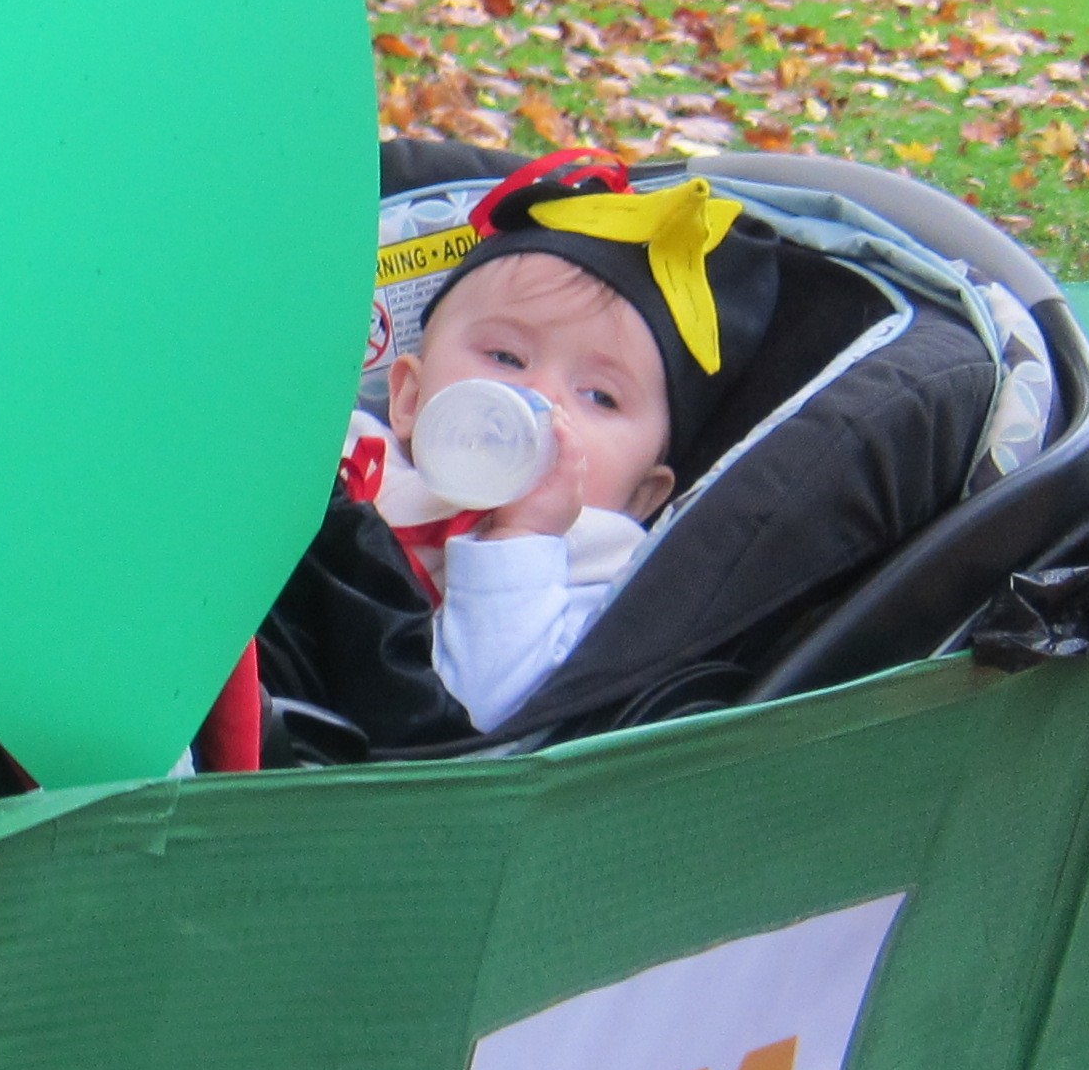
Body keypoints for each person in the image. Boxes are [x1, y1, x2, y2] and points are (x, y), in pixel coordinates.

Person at [260, 170, 777, 756]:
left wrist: (522, 536)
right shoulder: (347, 447)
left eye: (599, 396)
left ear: (642, 496)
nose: (541, 401)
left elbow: (482, 718)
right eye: (506, 356)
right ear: (407, 399)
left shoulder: (591, 569)